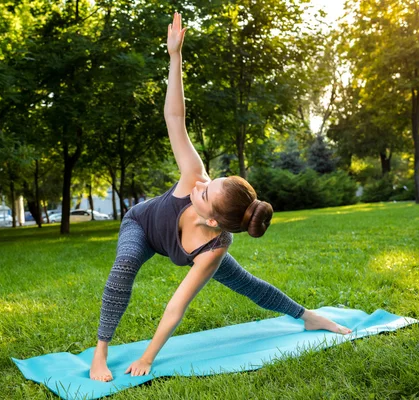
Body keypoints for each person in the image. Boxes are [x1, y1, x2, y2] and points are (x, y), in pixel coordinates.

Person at [89, 12, 351, 382]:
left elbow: (176, 306)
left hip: (191, 245)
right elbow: (174, 118)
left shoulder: (214, 248)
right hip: (142, 225)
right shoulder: (194, 175)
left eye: (205, 192)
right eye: (209, 181)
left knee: (248, 283)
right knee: (124, 267)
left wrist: (148, 357)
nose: (198, 184)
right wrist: (175, 57)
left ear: (213, 220)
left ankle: (307, 317)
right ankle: (100, 352)